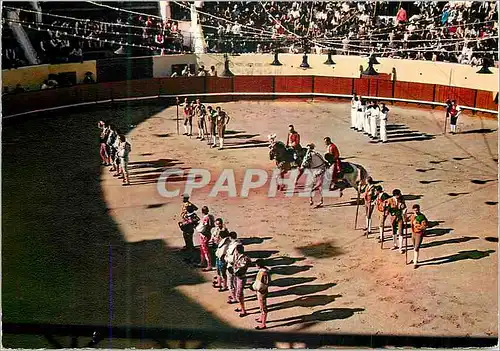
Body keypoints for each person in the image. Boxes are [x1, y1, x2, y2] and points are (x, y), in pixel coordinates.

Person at [231, 244, 252, 318]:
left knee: (239, 294)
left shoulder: (244, 258)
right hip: (237, 276)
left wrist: (235, 267)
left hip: (241, 277)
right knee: (238, 292)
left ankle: (243, 310)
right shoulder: (241, 257)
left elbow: (242, 266)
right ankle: (241, 307)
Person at [406, 204, 428, 269]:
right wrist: (404, 214)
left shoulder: (422, 217)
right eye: (415, 210)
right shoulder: (412, 216)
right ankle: (415, 259)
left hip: (419, 233)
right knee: (414, 246)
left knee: (416, 247)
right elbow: (405, 220)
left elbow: (424, 227)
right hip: (413, 233)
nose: (416, 211)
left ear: (419, 209)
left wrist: (418, 226)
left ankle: (415, 262)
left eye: (417, 210)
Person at [385, 189, 407, 253]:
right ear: (395, 195)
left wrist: (403, 209)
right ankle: (395, 245)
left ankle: (400, 247)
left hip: (400, 217)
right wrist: (386, 210)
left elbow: (404, 207)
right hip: (393, 217)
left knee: (400, 232)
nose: (400, 195)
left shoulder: (402, 199)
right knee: (394, 231)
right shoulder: (390, 200)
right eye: (399, 194)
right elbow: (386, 208)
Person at [252, 259, 271, 330]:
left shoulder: (264, 273)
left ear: (259, 265)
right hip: (260, 290)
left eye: (256, 264)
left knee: (263, 307)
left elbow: (266, 283)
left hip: (262, 291)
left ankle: (263, 324)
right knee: (261, 306)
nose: (255, 265)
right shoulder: (263, 271)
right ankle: (261, 318)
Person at [196, 206, 215, 271]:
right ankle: (202, 262)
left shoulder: (206, 218)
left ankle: (209, 265)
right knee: (202, 249)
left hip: (204, 235)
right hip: (207, 234)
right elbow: (212, 225)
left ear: (202, 212)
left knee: (205, 250)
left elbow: (203, 227)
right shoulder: (211, 217)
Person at [225, 231, 241, 304]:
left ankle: (234, 298)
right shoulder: (239, 244)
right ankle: (235, 296)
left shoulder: (234, 246)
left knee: (230, 282)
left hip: (231, 265)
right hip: (237, 266)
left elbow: (232, 258)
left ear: (230, 237)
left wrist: (226, 258)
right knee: (235, 282)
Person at [214, 227, 231, 291]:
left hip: (222, 259)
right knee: (218, 271)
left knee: (222, 273)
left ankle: (224, 286)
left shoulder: (226, 242)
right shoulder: (224, 241)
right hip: (219, 258)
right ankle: (219, 283)